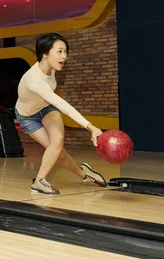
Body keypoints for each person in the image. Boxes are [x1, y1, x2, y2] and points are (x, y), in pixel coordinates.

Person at [15, 33, 107, 195]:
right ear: (44, 53)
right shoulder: (35, 80)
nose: (64, 57)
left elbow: (53, 102)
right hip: (28, 117)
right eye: (59, 52)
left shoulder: (51, 67)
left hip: (46, 109)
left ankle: (39, 181)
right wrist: (90, 126)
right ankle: (85, 174)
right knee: (59, 154)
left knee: (57, 141)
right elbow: (61, 104)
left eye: (65, 51)